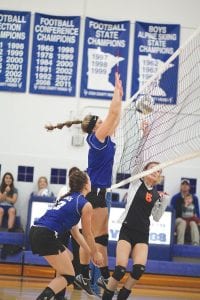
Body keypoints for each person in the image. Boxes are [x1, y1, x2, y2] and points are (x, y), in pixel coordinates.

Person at [45, 72, 123, 295]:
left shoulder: (103, 137)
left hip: (101, 191)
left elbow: (115, 117)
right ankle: (86, 275)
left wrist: (119, 97)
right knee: (94, 236)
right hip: (96, 192)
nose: (104, 123)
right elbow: (114, 113)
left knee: (102, 237)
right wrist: (116, 91)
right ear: (95, 127)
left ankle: (99, 276)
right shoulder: (97, 139)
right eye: (100, 122)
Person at [29, 169, 103, 300]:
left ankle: (59, 297)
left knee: (68, 257)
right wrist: (96, 253)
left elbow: (76, 233)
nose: (91, 182)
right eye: (89, 180)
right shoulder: (85, 204)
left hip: (36, 231)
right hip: (47, 234)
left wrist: (91, 253)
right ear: (86, 185)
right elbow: (88, 234)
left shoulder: (68, 198)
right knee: (69, 276)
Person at [102, 162, 169, 300]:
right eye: (152, 169)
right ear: (144, 171)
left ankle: (122, 296)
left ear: (159, 177)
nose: (155, 172)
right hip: (127, 231)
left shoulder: (156, 195)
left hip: (142, 234)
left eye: (158, 171)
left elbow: (156, 217)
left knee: (139, 270)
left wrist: (164, 202)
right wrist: (144, 140)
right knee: (120, 270)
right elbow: (138, 162)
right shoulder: (136, 183)